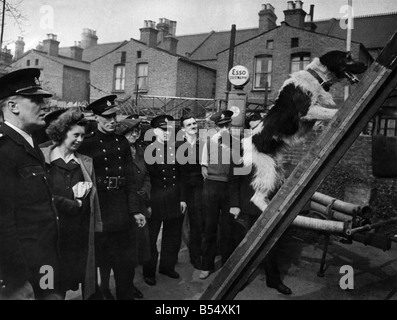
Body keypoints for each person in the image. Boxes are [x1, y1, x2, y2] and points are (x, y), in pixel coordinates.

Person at [0, 68, 61, 300]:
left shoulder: (29, 143)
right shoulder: (4, 150)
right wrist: (16, 281)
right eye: (36, 100)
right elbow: (2, 223)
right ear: (13, 106)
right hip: (22, 271)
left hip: (44, 260)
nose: (45, 105)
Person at [78, 95, 145, 300]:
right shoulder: (87, 144)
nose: (112, 121)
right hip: (99, 209)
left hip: (122, 209)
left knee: (125, 262)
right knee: (97, 259)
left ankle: (125, 295)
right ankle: (98, 294)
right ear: (96, 118)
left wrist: (135, 210)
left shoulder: (121, 142)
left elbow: (131, 180)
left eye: (114, 116)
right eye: (106, 117)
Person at [41, 110, 103, 299]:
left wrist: (97, 226)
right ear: (61, 133)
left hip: (78, 233)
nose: (80, 140)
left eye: (83, 135)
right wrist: (71, 203)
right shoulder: (43, 158)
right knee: (51, 282)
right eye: (75, 135)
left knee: (76, 276)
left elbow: (94, 199)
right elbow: (40, 196)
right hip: (51, 232)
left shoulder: (85, 162)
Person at [228, 114, 292, 295]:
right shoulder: (243, 150)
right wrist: (235, 204)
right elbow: (234, 180)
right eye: (255, 127)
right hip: (247, 207)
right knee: (243, 246)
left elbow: (278, 177)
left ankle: (274, 280)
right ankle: (237, 280)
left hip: (267, 205)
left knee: (271, 244)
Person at [98, 118, 151, 300]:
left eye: (138, 131)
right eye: (131, 132)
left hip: (137, 204)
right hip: (119, 205)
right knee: (108, 253)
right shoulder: (115, 150)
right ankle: (104, 287)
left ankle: (128, 285)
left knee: (132, 252)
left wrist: (143, 193)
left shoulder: (140, 151)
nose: (135, 134)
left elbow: (146, 176)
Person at [142, 115, 187, 286]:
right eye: (163, 129)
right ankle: (149, 271)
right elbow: (146, 180)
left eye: (169, 130)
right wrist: (146, 203)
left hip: (175, 199)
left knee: (173, 236)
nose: (167, 133)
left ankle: (167, 267)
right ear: (154, 131)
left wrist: (183, 198)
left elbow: (182, 176)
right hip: (156, 199)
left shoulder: (177, 149)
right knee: (151, 238)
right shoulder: (147, 151)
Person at [199, 110, 236, 280]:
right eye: (221, 126)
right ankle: (206, 265)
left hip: (228, 189)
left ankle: (227, 267)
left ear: (230, 126)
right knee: (210, 227)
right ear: (216, 127)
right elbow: (204, 169)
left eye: (227, 125)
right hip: (212, 188)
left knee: (228, 228)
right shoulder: (208, 142)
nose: (224, 129)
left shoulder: (236, 143)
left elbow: (239, 168)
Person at [175, 115, 204, 270]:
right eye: (189, 124)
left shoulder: (202, 146)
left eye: (194, 123)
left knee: (197, 224)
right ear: (183, 129)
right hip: (182, 189)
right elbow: (177, 174)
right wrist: (181, 198)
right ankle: (172, 258)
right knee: (176, 225)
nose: (193, 126)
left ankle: (195, 256)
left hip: (198, 189)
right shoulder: (177, 146)